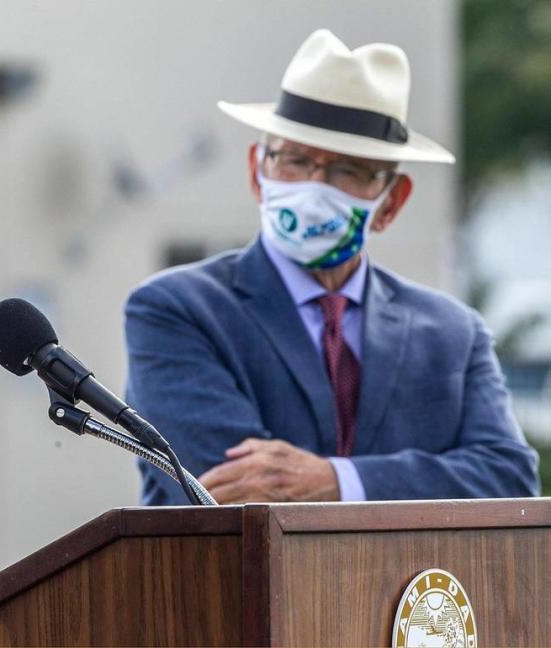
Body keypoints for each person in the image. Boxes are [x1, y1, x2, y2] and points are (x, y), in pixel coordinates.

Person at [125, 30, 540, 506]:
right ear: (257, 172)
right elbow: (232, 485)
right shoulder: (176, 310)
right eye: (295, 160)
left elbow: (509, 480)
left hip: (402, 582)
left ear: (391, 202)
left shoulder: (452, 332)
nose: (314, 186)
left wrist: (338, 480)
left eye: (348, 170)